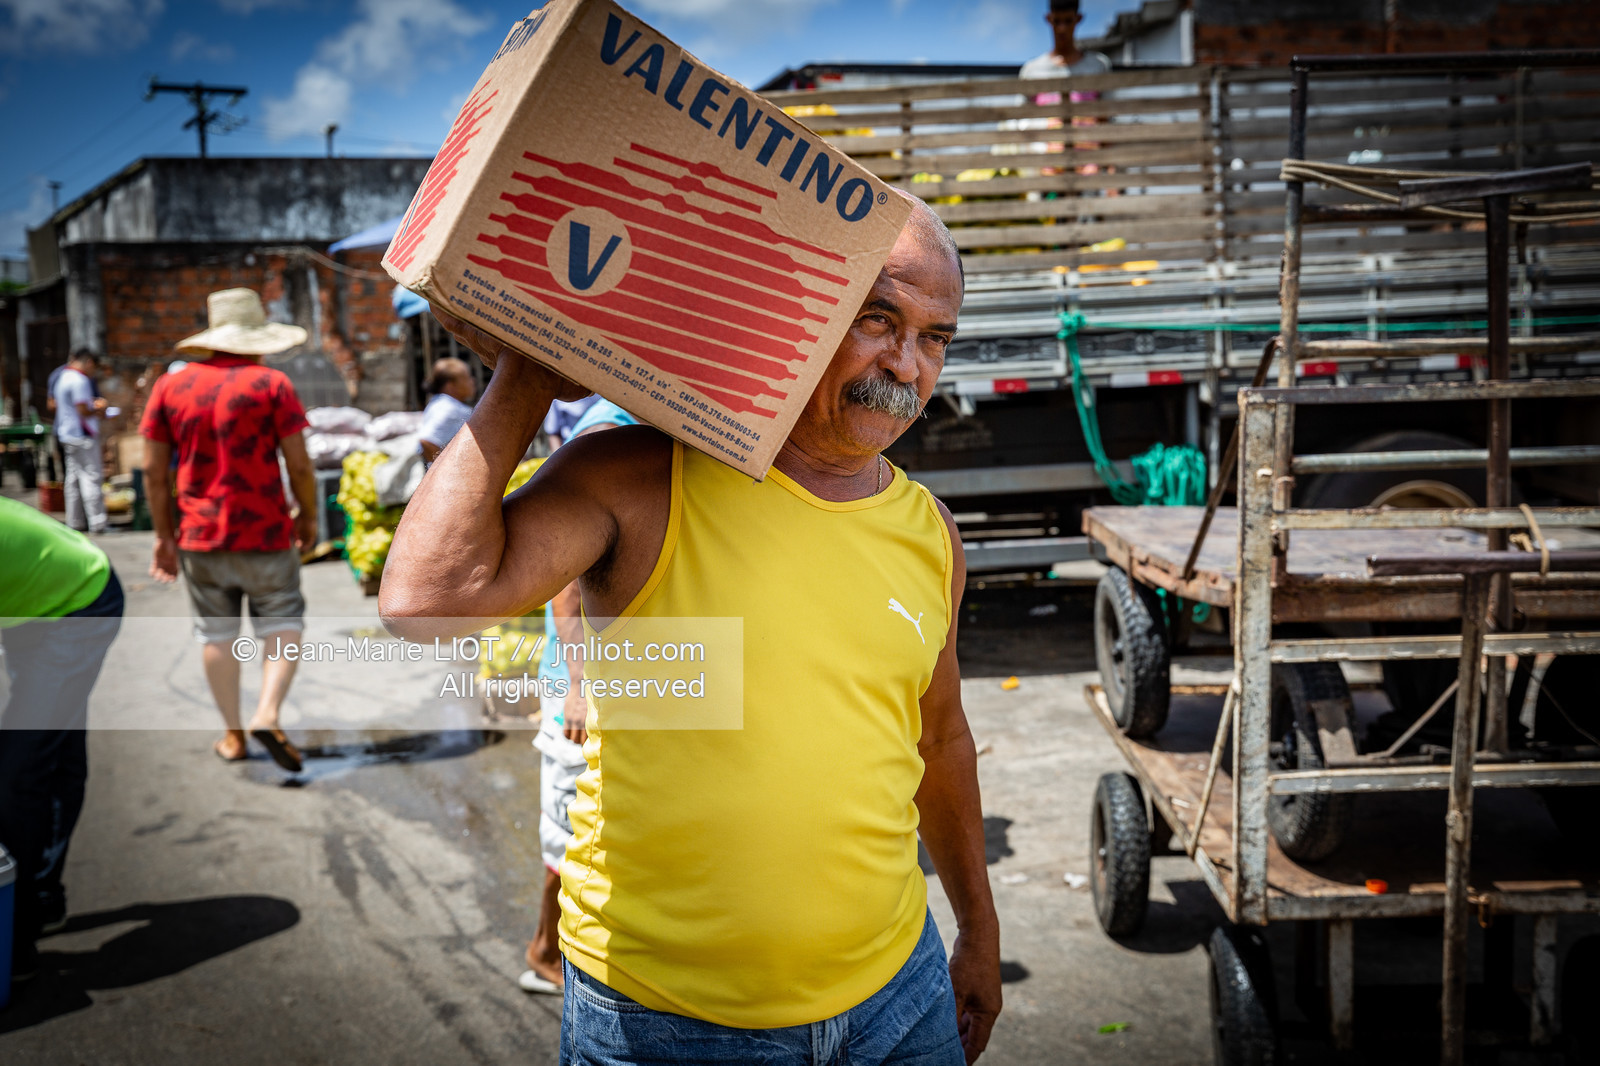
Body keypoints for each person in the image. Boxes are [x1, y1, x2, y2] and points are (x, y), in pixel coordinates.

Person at [383, 199, 1002, 1064]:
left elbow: (940, 740)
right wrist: (529, 374)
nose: (906, 363)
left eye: (936, 337)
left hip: (898, 997)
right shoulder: (639, 474)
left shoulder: (929, 531)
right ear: (805, 312)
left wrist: (977, 927)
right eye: (877, 318)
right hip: (666, 1021)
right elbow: (426, 602)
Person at [138, 287, 318, 772]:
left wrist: (163, 537)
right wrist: (310, 515)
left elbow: (153, 472)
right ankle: (268, 713)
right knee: (281, 620)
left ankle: (234, 737)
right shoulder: (271, 384)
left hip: (199, 536)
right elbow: (299, 464)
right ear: (257, 336)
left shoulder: (169, 388)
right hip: (266, 533)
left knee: (215, 634)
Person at [517, 398, 637, 997]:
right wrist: (581, 686)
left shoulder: (660, 429)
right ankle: (546, 951)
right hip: (583, 690)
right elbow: (568, 585)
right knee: (572, 831)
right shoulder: (606, 435)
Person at [0, 499, 124, 982]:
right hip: (31, 602)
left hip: (80, 599)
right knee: (48, 750)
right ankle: (41, 894)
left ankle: (20, 922)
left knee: (19, 769)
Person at [51, 349, 109, 534]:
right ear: (89, 362)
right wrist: (99, 410)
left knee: (73, 480)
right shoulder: (80, 380)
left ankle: (74, 522)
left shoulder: (63, 377)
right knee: (91, 478)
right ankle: (98, 522)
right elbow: (82, 409)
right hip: (82, 435)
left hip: (67, 434)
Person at [418, 357, 477, 465]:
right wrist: (448, 469)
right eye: (466, 378)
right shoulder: (449, 408)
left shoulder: (439, 403)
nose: (472, 381)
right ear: (451, 386)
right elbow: (427, 440)